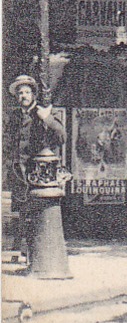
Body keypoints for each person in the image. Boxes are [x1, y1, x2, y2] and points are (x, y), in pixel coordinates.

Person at [6, 75, 68, 268]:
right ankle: (23, 251)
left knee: (36, 212)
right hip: (19, 173)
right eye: (20, 93)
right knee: (22, 212)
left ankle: (34, 252)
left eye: (26, 92)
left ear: (33, 94)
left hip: (38, 172)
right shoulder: (14, 116)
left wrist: (47, 118)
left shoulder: (42, 113)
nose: (23, 96)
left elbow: (61, 136)